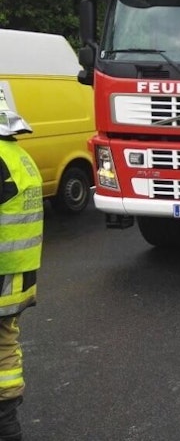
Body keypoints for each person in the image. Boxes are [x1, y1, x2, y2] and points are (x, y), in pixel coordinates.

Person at [0, 110, 42, 441]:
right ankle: (7, 420)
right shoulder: (18, 155)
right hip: (18, 272)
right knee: (5, 342)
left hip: (3, 271)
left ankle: (6, 424)